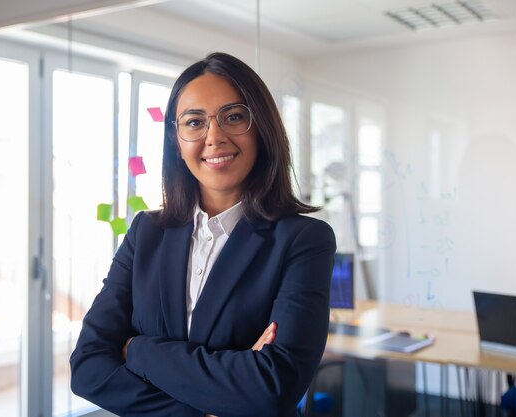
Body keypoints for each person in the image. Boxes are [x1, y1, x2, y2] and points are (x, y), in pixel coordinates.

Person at [70, 52, 336, 417]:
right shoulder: (146, 232)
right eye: (195, 122)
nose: (215, 136)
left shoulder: (304, 239)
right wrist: (213, 402)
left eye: (234, 116)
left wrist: (137, 350)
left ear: (261, 128)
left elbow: (275, 387)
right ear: (176, 141)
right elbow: (87, 368)